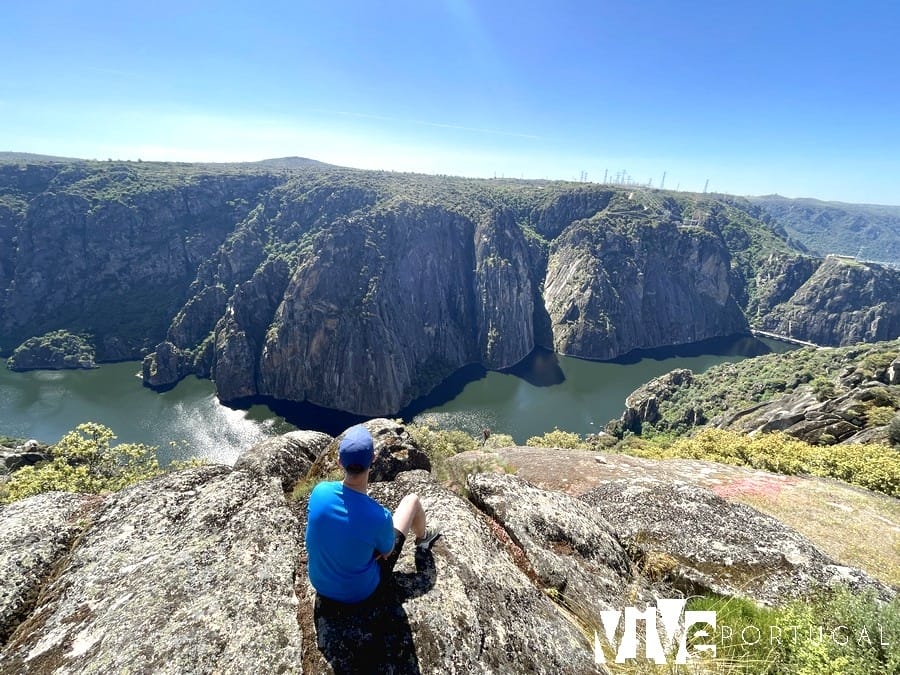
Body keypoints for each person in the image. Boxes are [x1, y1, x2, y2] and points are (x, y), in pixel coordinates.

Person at [305, 424, 441, 605]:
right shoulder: (379, 516)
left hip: (320, 585)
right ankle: (423, 538)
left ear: (339, 462)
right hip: (360, 593)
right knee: (412, 501)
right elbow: (387, 552)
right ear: (373, 459)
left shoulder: (319, 492)